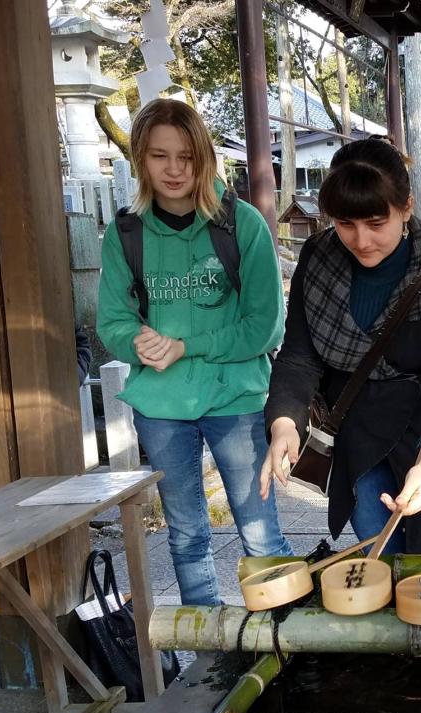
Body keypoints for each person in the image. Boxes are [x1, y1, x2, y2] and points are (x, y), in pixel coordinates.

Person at [261, 138, 421, 554]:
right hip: (361, 433)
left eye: (376, 223)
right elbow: (299, 356)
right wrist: (284, 422)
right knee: (378, 554)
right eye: (345, 224)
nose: (360, 240)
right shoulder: (318, 258)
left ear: (406, 208)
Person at [97, 99, 292, 607]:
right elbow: (113, 321)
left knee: (259, 533)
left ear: (204, 156)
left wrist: (187, 345)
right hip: (161, 407)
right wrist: (135, 340)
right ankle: (209, 652)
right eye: (160, 156)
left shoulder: (241, 224)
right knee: (186, 537)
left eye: (186, 156)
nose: (175, 169)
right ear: (141, 159)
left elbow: (265, 328)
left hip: (237, 400)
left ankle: (282, 640)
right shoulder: (126, 233)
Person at [0, 193, 91, 666]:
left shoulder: (32, 280)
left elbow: (77, 346)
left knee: (42, 523)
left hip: (35, 429)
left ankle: (70, 623)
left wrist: (59, 383)